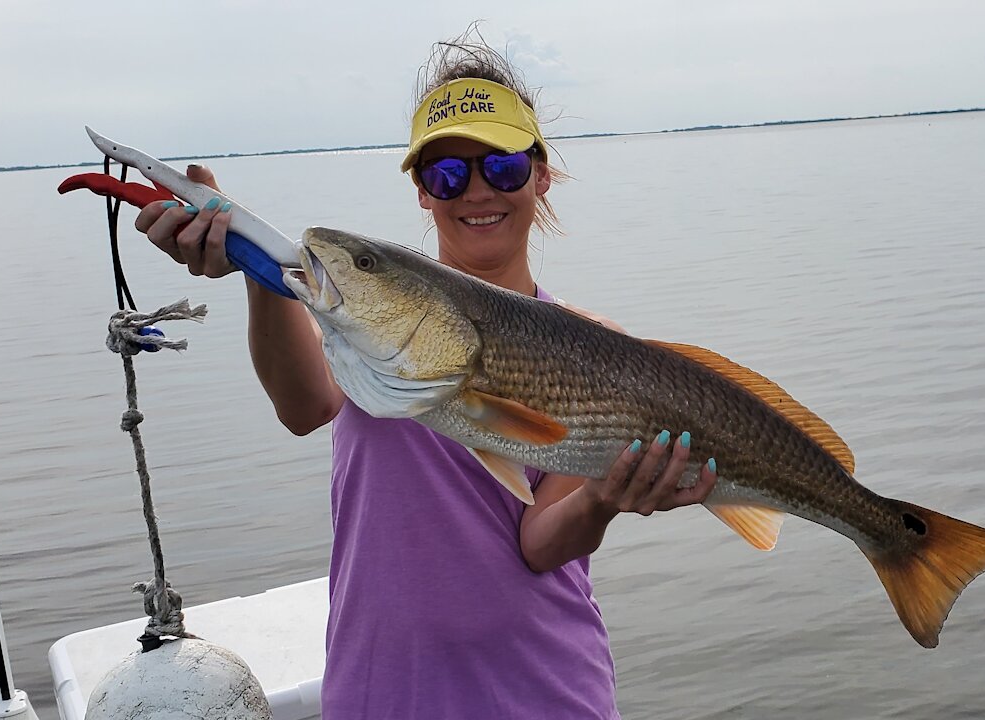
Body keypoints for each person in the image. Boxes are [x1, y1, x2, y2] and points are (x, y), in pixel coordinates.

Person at [134, 30, 718, 720]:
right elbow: (302, 406)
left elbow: (538, 544)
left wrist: (602, 501)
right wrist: (258, 272)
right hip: (377, 693)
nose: (476, 192)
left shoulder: (594, 353)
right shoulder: (367, 326)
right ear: (420, 190)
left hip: (546, 695)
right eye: (447, 174)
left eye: (500, 167)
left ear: (540, 175)